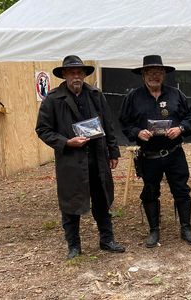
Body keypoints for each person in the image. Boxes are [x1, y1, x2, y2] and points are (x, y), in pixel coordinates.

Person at [35, 55, 125, 259]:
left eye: (79, 72)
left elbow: (108, 124)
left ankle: (107, 239)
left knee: (102, 198)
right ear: (65, 74)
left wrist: (113, 151)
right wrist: (66, 142)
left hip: (97, 156)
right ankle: (74, 246)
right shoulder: (53, 98)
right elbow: (43, 129)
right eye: (72, 72)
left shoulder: (95, 94)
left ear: (84, 74)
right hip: (71, 160)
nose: (76, 76)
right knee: (70, 202)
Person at [119, 55, 191, 248]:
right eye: (150, 72)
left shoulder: (176, 95)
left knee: (181, 190)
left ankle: (186, 228)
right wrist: (137, 132)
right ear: (143, 74)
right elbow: (124, 122)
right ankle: (154, 230)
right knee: (150, 192)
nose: (154, 76)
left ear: (164, 74)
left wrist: (180, 129)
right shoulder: (133, 97)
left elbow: (190, 117)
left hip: (174, 153)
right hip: (149, 155)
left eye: (158, 72)